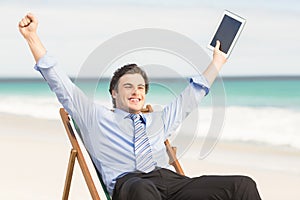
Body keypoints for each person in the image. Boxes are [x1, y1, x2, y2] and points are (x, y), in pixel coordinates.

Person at [19, 13, 261, 200]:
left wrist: (217, 62)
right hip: (131, 184)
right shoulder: (95, 117)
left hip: (170, 182)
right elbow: (58, 81)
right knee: (143, 188)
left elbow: (193, 94)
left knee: (243, 185)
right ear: (114, 93)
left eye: (141, 87)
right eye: (128, 86)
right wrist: (33, 38)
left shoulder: (160, 120)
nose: (136, 91)